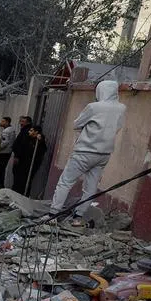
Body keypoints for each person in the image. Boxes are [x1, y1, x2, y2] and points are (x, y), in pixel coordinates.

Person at [49, 80, 126, 219]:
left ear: (101, 91)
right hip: (104, 154)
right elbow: (118, 127)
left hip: (84, 151)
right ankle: (78, 217)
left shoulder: (93, 107)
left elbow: (77, 124)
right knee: (91, 187)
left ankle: (53, 213)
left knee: (65, 182)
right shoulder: (121, 108)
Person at [12, 124, 48, 196]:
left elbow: (42, 150)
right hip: (22, 163)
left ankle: (24, 195)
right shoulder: (27, 138)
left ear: (36, 132)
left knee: (26, 181)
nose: (29, 132)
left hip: (30, 164)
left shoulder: (39, 141)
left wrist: (40, 140)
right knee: (18, 180)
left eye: (31, 131)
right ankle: (15, 194)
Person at [10, 116, 37, 195]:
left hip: (23, 160)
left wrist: (17, 156)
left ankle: (17, 195)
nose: (21, 123)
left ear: (28, 122)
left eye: (23, 121)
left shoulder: (26, 131)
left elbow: (22, 145)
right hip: (21, 159)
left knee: (20, 179)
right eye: (20, 121)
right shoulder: (24, 131)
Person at [0, 116, 16, 189]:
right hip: (8, 152)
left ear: (7, 122)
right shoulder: (12, 130)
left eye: (3, 121)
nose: (1, 123)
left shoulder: (6, 131)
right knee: (1, 170)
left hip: (4, 152)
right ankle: (0, 186)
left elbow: (5, 142)